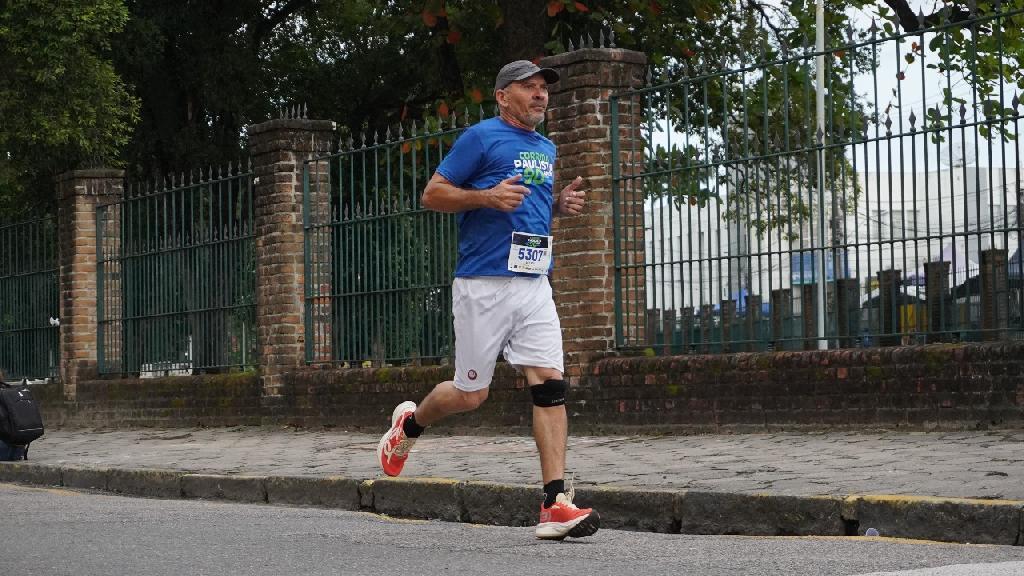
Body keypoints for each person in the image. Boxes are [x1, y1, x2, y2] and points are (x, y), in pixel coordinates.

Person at [376, 60, 599, 540]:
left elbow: (527, 206)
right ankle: (409, 426)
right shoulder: (480, 138)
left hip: (534, 281)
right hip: (483, 283)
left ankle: (554, 502)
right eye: (528, 87)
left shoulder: (546, 147)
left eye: (543, 88)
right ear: (502, 96)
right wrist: (486, 197)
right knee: (471, 395)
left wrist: (557, 206)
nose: (540, 95)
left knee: (550, 384)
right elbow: (433, 194)